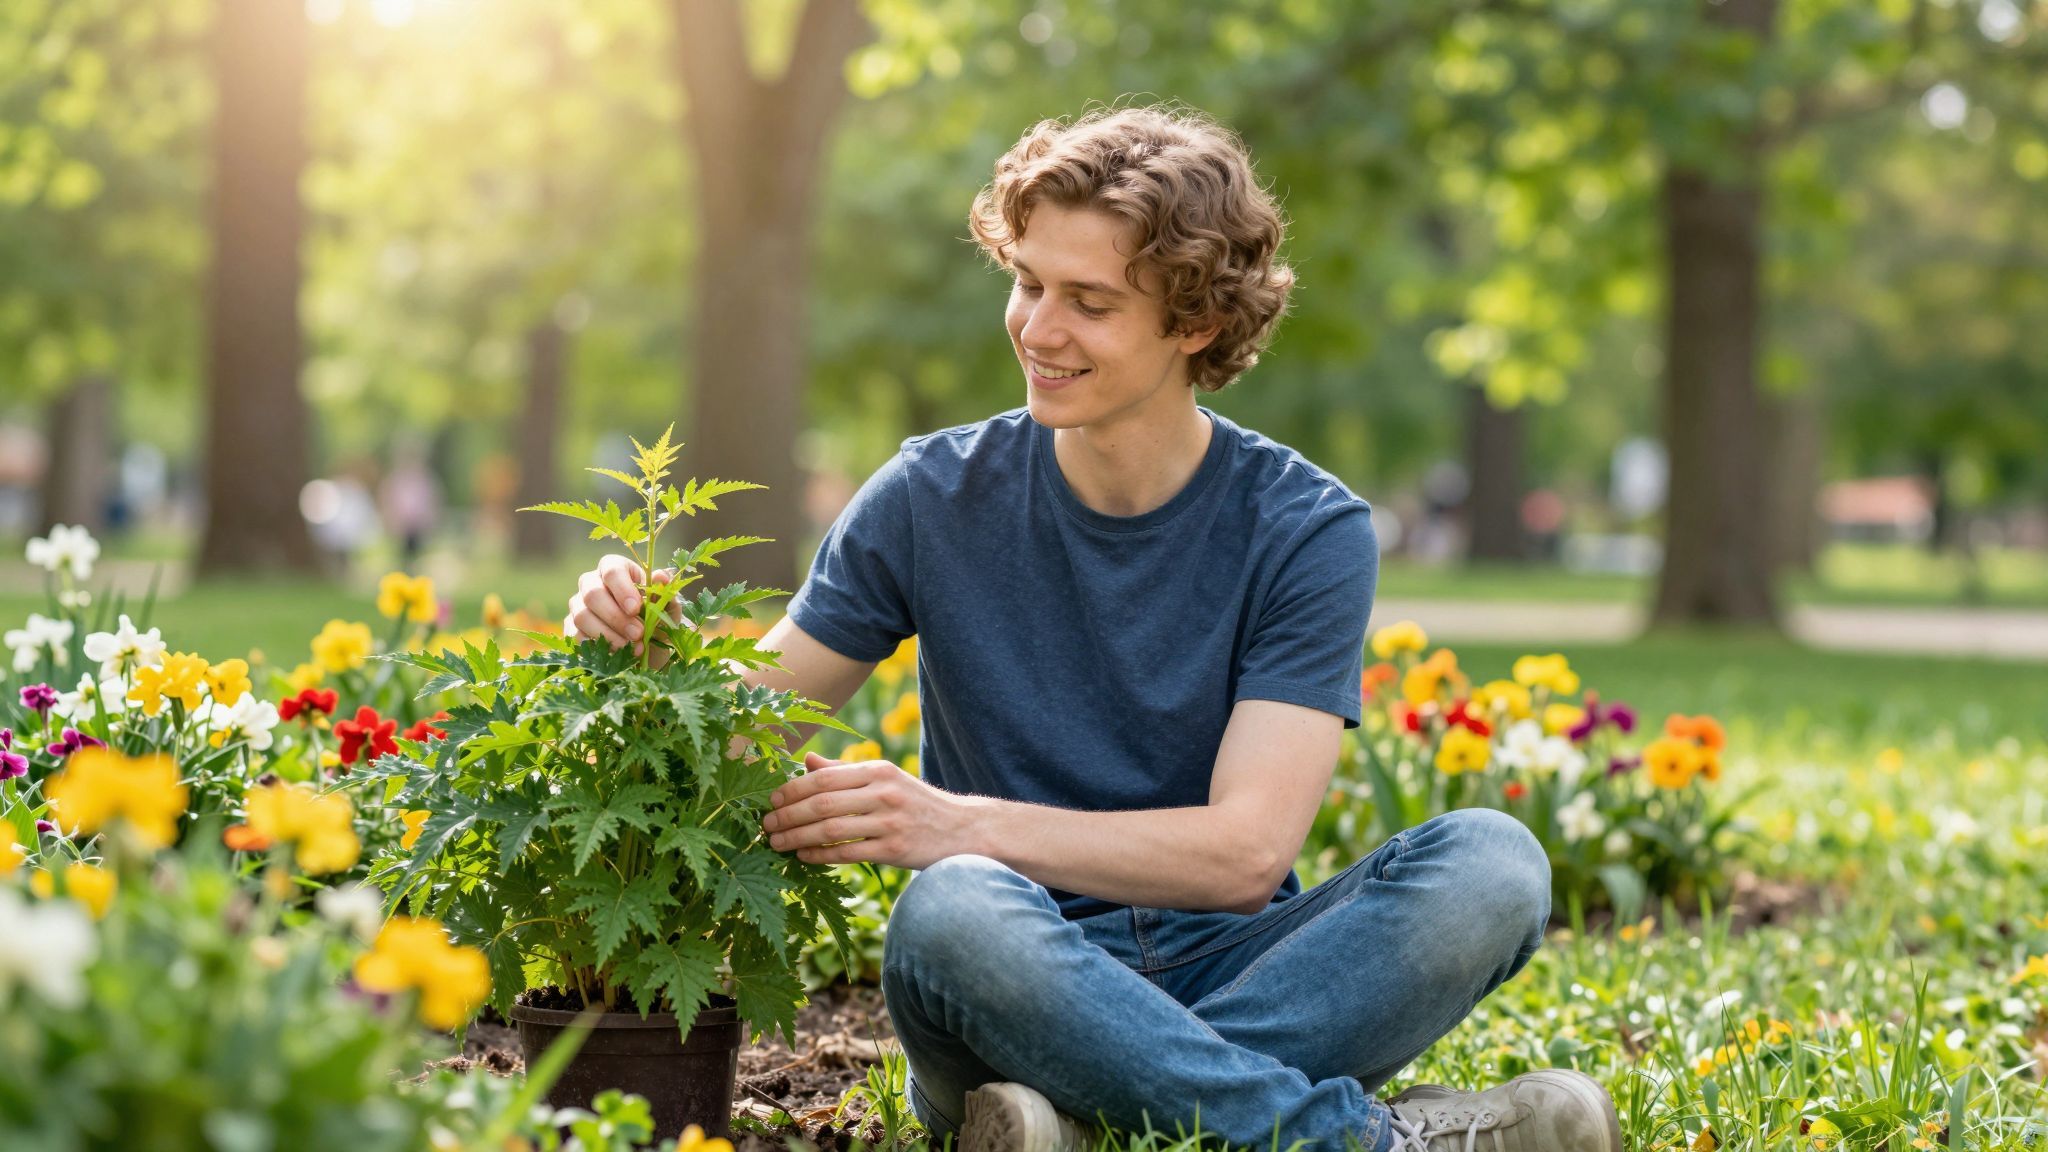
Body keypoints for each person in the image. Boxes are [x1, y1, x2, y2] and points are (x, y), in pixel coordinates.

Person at [565, 106, 1620, 1152]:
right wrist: (641, 650)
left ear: (1195, 322)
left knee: (1493, 863)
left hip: (1242, 963)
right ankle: (1364, 1141)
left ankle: (1080, 1125)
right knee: (953, 912)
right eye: (1026, 283)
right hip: (1008, 986)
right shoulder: (927, 496)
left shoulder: (1304, 530)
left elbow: (1242, 856)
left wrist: (952, 822)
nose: (1037, 328)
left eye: (1089, 302)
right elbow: (738, 744)